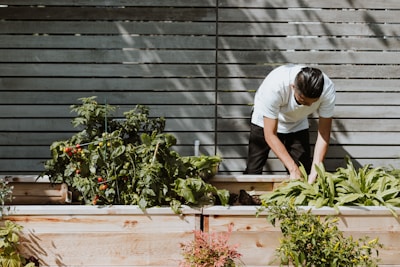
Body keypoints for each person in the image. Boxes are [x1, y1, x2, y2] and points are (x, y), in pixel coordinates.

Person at [244, 64, 336, 184]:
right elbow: (270, 134)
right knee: (253, 170)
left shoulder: (327, 89)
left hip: (297, 122)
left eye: (312, 103)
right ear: (293, 87)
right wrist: (293, 169)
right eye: (303, 101)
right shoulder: (275, 86)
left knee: (303, 172)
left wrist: (316, 170)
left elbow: (323, 133)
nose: (308, 106)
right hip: (264, 121)